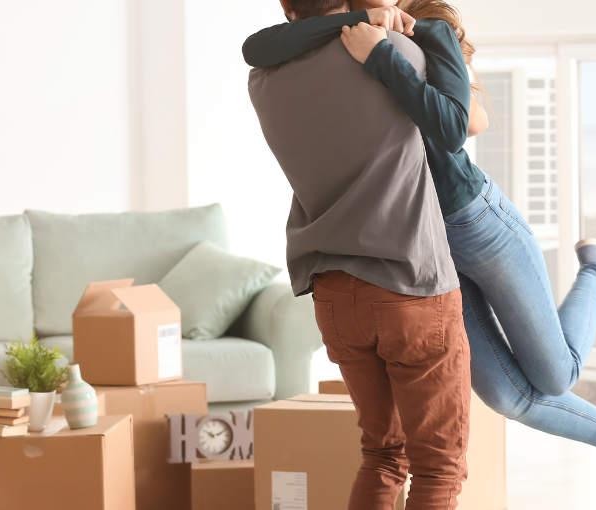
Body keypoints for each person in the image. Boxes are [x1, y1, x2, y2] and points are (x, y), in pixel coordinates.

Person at [243, 1, 596, 506]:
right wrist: (358, 31)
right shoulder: (347, 36)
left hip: (471, 218)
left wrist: (389, 55)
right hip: (419, 247)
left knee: (556, 375)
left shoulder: (427, 28)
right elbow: (259, 46)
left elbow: (467, 121)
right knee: (509, 398)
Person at [247, 1, 473, 508]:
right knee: (438, 472)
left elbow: (260, 45)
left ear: (285, 5)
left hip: (333, 293)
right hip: (410, 284)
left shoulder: (264, 78)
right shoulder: (393, 52)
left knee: (383, 456)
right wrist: (431, 32)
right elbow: (456, 125)